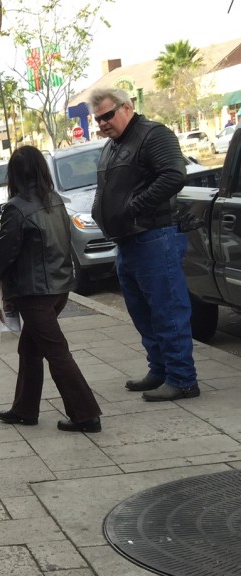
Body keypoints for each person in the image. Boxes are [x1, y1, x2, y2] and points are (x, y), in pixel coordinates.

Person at [90, 86, 199, 402]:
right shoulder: (113, 146)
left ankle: (183, 378)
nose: (102, 124)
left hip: (154, 236)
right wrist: (102, 213)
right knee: (142, 312)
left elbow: (174, 175)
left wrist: (134, 206)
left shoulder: (153, 134)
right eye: (98, 119)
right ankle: (161, 370)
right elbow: (105, 188)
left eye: (107, 115)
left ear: (126, 107)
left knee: (167, 311)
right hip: (128, 241)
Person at [0, 146, 103, 433]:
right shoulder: (54, 200)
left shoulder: (16, 208)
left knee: (56, 352)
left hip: (35, 293)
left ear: (14, 174)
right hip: (59, 288)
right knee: (30, 349)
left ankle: (86, 414)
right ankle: (24, 409)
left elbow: (6, 250)